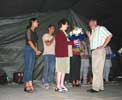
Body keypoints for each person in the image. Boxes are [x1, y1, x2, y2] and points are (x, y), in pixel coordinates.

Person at [86, 18, 112, 93]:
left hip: (99, 51)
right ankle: (100, 87)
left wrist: (103, 46)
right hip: (94, 51)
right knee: (97, 70)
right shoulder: (93, 32)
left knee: (96, 70)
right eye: (89, 23)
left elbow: (109, 35)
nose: (89, 24)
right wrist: (89, 36)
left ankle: (95, 88)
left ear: (95, 22)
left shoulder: (101, 28)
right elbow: (92, 43)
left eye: (91, 22)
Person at [23, 18, 41, 92]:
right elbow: (29, 41)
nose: (38, 23)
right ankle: (28, 85)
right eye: (37, 21)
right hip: (28, 49)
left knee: (31, 67)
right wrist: (36, 50)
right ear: (32, 22)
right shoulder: (28, 30)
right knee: (28, 67)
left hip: (33, 50)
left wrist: (36, 51)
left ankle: (28, 84)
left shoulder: (35, 32)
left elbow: (35, 42)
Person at [55, 18, 72, 92]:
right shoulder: (59, 33)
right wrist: (73, 42)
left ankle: (62, 84)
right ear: (62, 24)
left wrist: (73, 41)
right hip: (61, 54)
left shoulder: (65, 33)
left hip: (65, 54)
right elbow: (62, 43)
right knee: (60, 70)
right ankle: (58, 86)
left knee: (64, 70)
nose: (67, 26)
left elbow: (67, 42)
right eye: (66, 24)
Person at [42, 24, 56, 89]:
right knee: (46, 68)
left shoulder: (54, 37)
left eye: (54, 28)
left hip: (53, 54)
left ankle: (50, 82)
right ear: (49, 28)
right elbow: (48, 44)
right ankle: (45, 82)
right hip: (46, 54)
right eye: (52, 28)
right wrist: (53, 38)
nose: (53, 30)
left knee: (52, 69)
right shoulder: (45, 35)